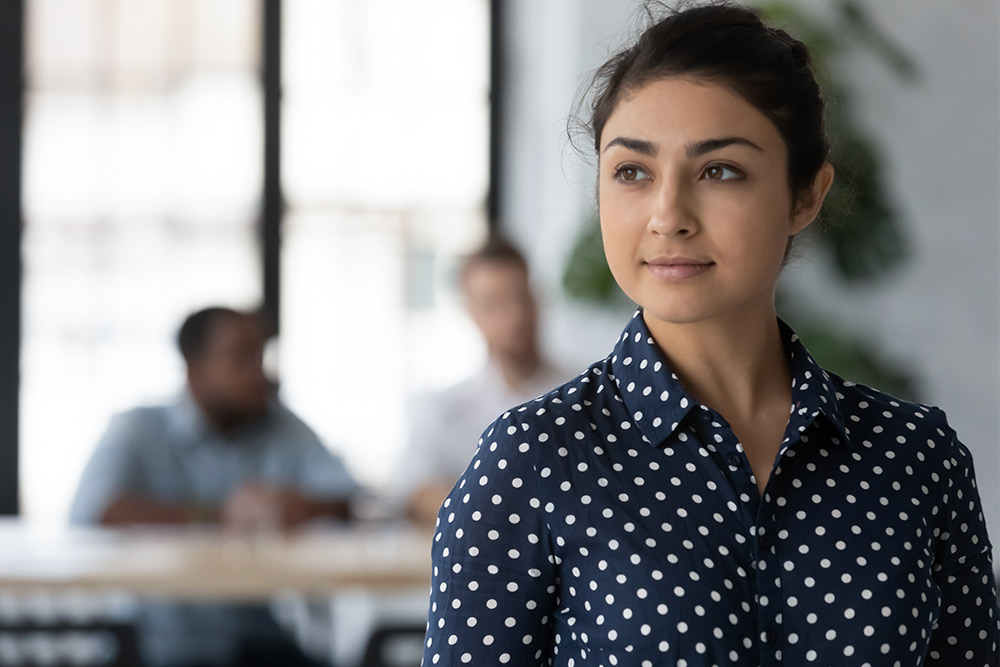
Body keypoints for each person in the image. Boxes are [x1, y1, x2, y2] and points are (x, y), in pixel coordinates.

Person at [421, 4, 999, 666]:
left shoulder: (918, 460)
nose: (668, 215)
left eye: (719, 170)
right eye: (632, 171)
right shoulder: (530, 463)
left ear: (805, 196)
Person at [71, 306, 359, 667]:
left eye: (262, 356)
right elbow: (93, 510)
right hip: (160, 646)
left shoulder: (283, 426)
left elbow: (353, 500)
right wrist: (219, 515)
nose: (261, 373)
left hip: (262, 640)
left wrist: (307, 507)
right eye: (242, 357)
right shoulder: (139, 428)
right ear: (195, 368)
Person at [395, 235, 570, 525]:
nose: (514, 315)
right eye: (493, 304)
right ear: (472, 313)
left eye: (520, 297)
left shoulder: (585, 396)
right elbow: (412, 492)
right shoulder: (443, 408)